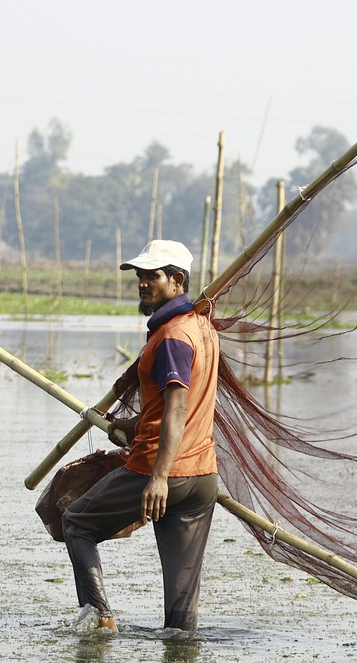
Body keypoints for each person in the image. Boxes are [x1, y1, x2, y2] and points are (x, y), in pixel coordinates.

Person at [60, 239, 220, 632]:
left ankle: (101, 620)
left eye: (153, 276)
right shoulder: (202, 327)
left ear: (178, 280)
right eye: (140, 276)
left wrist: (160, 478)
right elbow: (173, 405)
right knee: (181, 602)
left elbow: (179, 410)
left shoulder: (172, 338)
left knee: (76, 522)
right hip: (202, 478)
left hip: (160, 471)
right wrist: (129, 427)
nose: (143, 283)